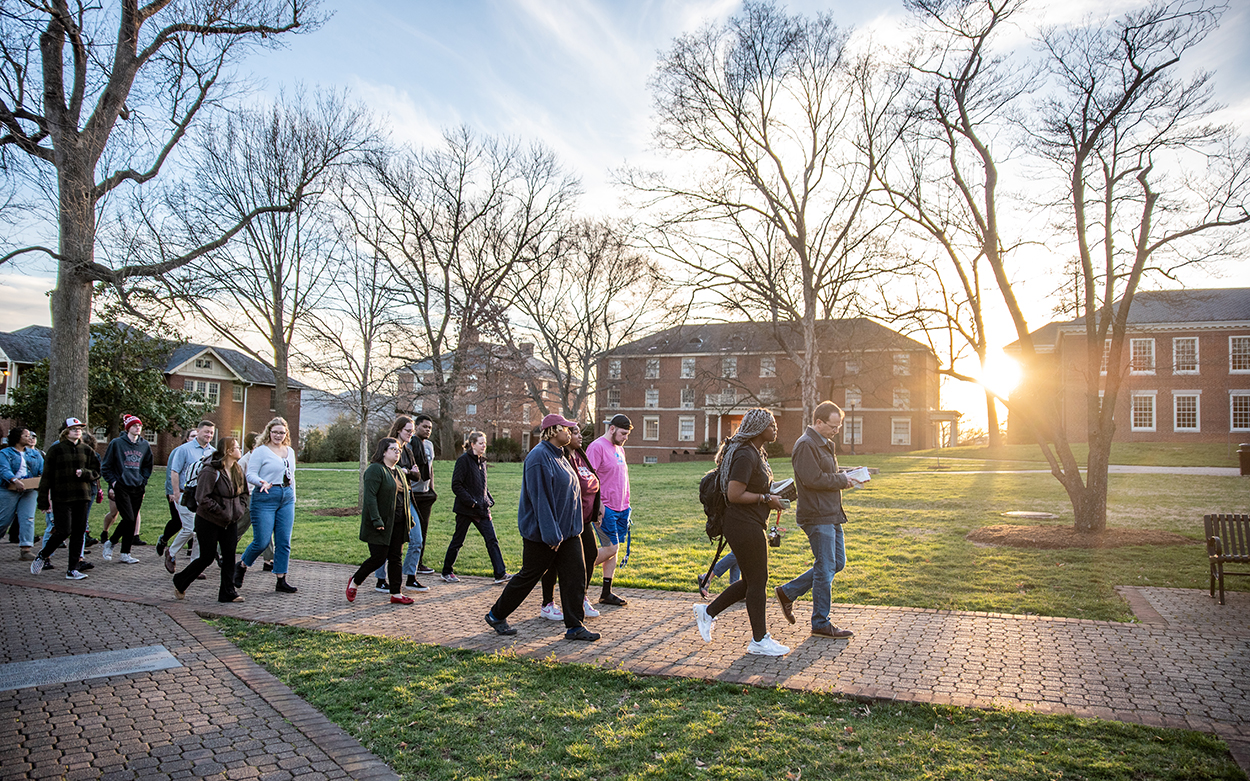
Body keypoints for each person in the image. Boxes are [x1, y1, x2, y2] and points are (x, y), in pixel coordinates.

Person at [484, 414, 599, 642]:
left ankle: (575, 626)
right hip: (544, 535)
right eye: (567, 428)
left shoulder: (561, 456)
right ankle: (496, 614)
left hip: (568, 534)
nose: (570, 432)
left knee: (575, 575)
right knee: (529, 576)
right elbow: (540, 499)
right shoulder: (538, 457)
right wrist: (551, 534)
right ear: (554, 430)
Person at [692, 408, 790, 656]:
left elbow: (752, 486)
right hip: (742, 524)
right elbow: (735, 494)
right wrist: (767, 497)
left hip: (749, 522)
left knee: (751, 581)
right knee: (758, 581)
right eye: (771, 424)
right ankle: (759, 640)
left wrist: (773, 493)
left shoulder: (756, 452)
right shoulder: (746, 454)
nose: (775, 428)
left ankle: (708, 612)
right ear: (758, 428)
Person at [774, 402, 861, 639]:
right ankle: (820, 622)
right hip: (816, 514)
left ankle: (787, 592)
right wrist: (842, 480)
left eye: (839, 426)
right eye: (833, 426)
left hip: (831, 513)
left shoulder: (824, 444)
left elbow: (828, 471)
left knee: (836, 563)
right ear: (819, 422)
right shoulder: (805, 445)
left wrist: (849, 474)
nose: (837, 430)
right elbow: (813, 479)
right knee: (825, 567)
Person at [172, 437, 248, 603]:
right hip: (208, 520)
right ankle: (181, 580)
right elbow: (202, 497)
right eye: (236, 447)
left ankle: (227, 593)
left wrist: (239, 510)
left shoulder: (237, 469)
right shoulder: (210, 471)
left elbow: (244, 494)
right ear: (228, 451)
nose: (239, 449)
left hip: (230, 520)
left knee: (229, 556)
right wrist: (221, 512)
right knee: (206, 557)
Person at [539, 423, 602, 621]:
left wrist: (598, 506)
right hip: (566, 520)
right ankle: (548, 603)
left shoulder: (580, 456)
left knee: (590, 555)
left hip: (584, 519)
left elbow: (593, 481)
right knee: (552, 562)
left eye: (578, 432)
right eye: (574, 432)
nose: (578, 436)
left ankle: (580, 597)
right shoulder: (561, 458)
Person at [347, 437, 415, 605]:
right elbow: (370, 499)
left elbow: (404, 497)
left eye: (398, 450)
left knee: (395, 557)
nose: (397, 452)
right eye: (393, 449)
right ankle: (355, 581)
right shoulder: (375, 470)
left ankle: (396, 593)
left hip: (398, 523)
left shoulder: (399, 471)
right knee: (378, 558)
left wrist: (409, 519)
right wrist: (377, 520)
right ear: (384, 451)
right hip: (380, 523)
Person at [31, 417, 101, 580]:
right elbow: (46, 476)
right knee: (64, 530)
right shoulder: (56, 450)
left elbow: (96, 471)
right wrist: (43, 500)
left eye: (80, 429)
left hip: (82, 496)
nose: (77, 431)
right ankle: (43, 555)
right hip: (62, 496)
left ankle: (72, 569)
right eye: (73, 428)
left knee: (79, 532)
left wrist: (85, 473)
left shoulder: (87, 450)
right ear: (65, 432)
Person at [236, 416, 298, 593]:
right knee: (262, 541)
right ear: (268, 432)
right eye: (275, 432)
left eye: (282, 432)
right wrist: (261, 482)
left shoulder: (290, 451)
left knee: (284, 541)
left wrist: (292, 495)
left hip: (286, 497)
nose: (278, 435)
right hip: (265, 497)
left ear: (286, 433)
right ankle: (241, 566)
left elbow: (292, 475)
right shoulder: (261, 451)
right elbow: (250, 474)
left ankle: (281, 579)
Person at [441, 431, 509, 584]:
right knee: (458, 540)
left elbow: (482, 485)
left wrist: (488, 499)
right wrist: (471, 502)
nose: (484, 445)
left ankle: (500, 574)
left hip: (482, 509)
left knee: (492, 540)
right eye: (480, 443)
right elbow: (456, 485)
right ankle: (446, 571)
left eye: (485, 443)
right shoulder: (463, 461)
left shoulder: (482, 462)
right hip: (466, 509)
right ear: (472, 444)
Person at [372, 416, 429, 593]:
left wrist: (408, 472)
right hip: (391, 499)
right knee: (387, 541)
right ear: (398, 430)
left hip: (407, 498)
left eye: (412, 431)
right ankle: (381, 580)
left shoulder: (408, 451)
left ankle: (410, 577)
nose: (411, 434)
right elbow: (383, 470)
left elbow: (417, 476)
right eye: (407, 431)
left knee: (417, 538)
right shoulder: (388, 447)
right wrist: (404, 471)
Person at [584, 413, 632, 607]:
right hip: (606, 508)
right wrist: (598, 506)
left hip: (622, 507)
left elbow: (621, 477)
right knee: (610, 547)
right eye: (622, 434)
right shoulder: (596, 447)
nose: (625, 438)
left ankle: (606, 593)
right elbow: (588, 479)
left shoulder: (619, 448)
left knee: (614, 550)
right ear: (611, 429)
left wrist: (628, 504)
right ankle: (578, 572)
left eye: (627, 435)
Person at [99, 414, 153, 565]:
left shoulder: (144, 445)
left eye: (140, 426)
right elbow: (106, 466)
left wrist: (143, 481)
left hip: (137, 486)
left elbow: (148, 465)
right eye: (135, 425)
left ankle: (125, 553)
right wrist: (114, 483)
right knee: (128, 518)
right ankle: (111, 542)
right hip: (121, 486)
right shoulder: (117, 443)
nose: (138, 428)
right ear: (128, 427)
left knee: (132, 519)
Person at [165, 422, 216, 573]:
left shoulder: (213, 452)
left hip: (203, 497)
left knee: (199, 532)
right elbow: (174, 472)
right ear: (198, 431)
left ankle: (195, 566)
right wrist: (176, 493)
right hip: (185, 494)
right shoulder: (183, 450)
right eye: (206, 432)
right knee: (188, 528)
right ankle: (171, 552)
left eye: (211, 433)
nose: (209, 435)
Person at [0, 427, 44, 561]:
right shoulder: (5, 453)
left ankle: (26, 549)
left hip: (30, 489)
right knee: (4, 519)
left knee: (28, 518)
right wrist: (14, 480)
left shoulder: (35, 454)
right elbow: (3, 469)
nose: (30, 438)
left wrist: (42, 478)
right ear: (17, 438)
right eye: (26, 435)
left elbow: (42, 468)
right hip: (9, 489)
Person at [235, 432, 274, 571]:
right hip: (249, 496)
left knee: (266, 527)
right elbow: (238, 482)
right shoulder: (244, 461)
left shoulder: (265, 457)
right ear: (253, 445)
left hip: (263, 495)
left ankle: (269, 559)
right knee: (240, 526)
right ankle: (221, 551)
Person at [157, 430, 198, 558]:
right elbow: (171, 472)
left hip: (195, 493)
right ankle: (164, 540)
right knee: (178, 522)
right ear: (186, 438)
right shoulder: (179, 451)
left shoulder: (202, 452)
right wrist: (171, 492)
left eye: (197, 436)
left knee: (194, 522)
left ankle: (191, 549)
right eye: (192, 436)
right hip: (179, 492)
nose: (195, 438)